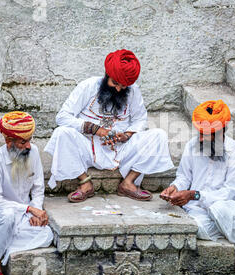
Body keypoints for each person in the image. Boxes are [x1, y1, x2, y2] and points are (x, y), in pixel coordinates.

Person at [44, 49, 174, 202]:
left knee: (158, 135)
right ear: (107, 75)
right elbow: (62, 116)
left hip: (120, 148)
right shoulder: (88, 86)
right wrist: (96, 130)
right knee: (61, 133)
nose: (118, 89)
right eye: (115, 83)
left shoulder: (133, 91)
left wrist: (127, 135)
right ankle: (85, 183)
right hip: (88, 145)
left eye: (123, 86)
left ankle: (128, 183)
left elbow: (140, 119)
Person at [160, 100, 235, 272]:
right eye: (200, 132)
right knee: (195, 228)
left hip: (226, 205)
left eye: (206, 134)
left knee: (219, 210)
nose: (200, 138)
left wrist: (194, 195)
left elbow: (229, 191)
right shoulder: (193, 145)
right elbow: (184, 176)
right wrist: (175, 188)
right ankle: (233, 230)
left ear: (221, 131)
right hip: (196, 211)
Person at [0, 111, 53, 275]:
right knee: (8, 216)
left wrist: (36, 211)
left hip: (24, 214)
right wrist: (29, 208)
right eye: (23, 142)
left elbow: (38, 187)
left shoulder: (33, 153)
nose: (28, 146)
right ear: (8, 142)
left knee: (46, 235)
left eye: (30, 140)